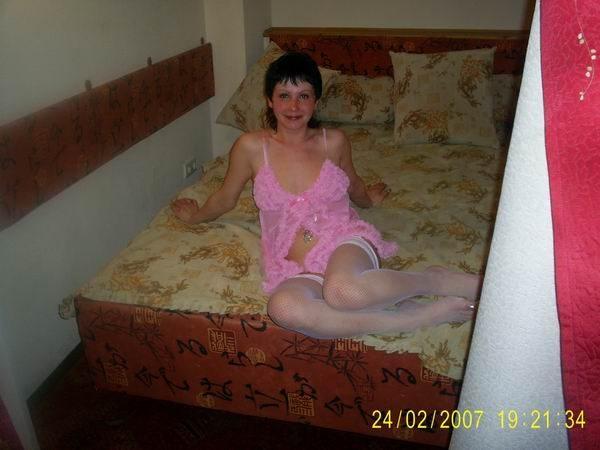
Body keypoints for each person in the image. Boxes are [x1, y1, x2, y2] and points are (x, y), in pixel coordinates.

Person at [171, 52, 479, 338]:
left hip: (343, 242)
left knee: (342, 292)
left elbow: (353, 184)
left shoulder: (334, 142)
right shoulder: (251, 147)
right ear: (269, 101)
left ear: (316, 101)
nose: (294, 106)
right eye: (284, 96)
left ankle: (433, 280)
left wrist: (368, 200)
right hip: (294, 266)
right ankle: (408, 318)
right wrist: (195, 216)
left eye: (304, 96)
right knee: (283, 308)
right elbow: (225, 198)